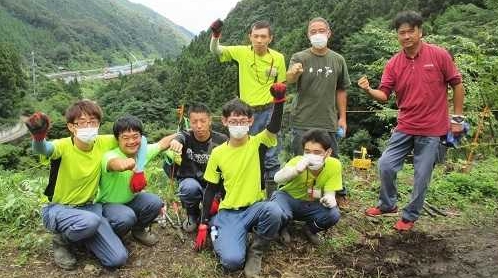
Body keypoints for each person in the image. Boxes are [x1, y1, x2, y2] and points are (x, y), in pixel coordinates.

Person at [358, 10, 465, 231]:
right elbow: (384, 94)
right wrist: (369, 90)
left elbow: (457, 83)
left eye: (410, 31)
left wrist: (457, 118)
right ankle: (388, 205)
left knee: (421, 175)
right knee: (385, 165)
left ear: (420, 31)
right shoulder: (394, 63)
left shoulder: (439, 55)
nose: (406, 36)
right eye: (401, 32)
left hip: (433, 128)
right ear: (397, 35)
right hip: (405, 125)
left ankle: (410, 215)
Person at [194, 82, 287, 278]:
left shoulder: (258, 143)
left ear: (251, 121)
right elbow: (210, 189)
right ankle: (217, 227)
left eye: (243, 121)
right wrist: (202, 222)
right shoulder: (218, 153)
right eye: (233, 121)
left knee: (274, 210)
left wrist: (278, 101)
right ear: (225, 122)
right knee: (232, 262)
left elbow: (274, 127)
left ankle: (257, 250)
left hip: (254, 207)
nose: (238, 125)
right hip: (229, 212)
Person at [24, 100, 128, 269]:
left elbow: (132, 139)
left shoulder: (103, 142)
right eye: (82, 122)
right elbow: (43, 149)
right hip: (60, 208)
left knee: (118, 258)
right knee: (90, 222)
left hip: (89, 209)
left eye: (93, 122)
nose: (88, 127)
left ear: (99, 124)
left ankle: (84, 237)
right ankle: (61, 241)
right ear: (71, 127)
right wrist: (38, 136)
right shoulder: (63, 146)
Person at [209, 18, 286, 193]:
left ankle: (272, 198)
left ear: (270, 38)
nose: (259, 40)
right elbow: (216, 50)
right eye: (256, 36)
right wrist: (216, 35)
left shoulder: (278, 58)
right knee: (245, 153)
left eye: (263, 36)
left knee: (271, 156)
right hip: (246, 114)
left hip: (269, 111)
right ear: (249, 36)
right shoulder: (241, 52)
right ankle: (246, 192)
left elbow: (280, 86)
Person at [286, 17, 351, 207]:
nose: (318, 34)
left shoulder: (338, 60)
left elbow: (341, 90)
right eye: (313, 31)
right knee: (300, 160)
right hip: (302, 119)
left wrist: (343, 118)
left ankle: (337, 193)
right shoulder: (300, 57)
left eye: (321, 30)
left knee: (332, 160)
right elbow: (288, 80)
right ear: (308, 35)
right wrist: (294, 72)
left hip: (328, 120)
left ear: (329, 33)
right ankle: (300, 197)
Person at [95, 115, 175, 246]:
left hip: (131, 201)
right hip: (107, 205)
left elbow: (162, 144)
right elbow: (115, 164)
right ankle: (110, 237)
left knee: (155, 202)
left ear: (141, 137)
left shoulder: (142, 152)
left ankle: (138, 231)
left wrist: (183, 134)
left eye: (135, 136)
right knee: (126, 217)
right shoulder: (110, 155)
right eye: (125, 138)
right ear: (117, 139)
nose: (131, 141)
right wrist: (129, 164)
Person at [271, 129, 342, 245]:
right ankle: (283, 227)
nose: (311, 156)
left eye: (317, 152)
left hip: (311, 204)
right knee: (278, 212)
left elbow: (330, 192)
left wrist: (330, 199)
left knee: (333, 214)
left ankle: (309, 229)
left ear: (328, 152)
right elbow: (277, 178)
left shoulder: (334, 165)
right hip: (288, 199)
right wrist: (295, 171)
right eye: (307, 151)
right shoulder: (297, 161)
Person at [166, 103, 228, 232]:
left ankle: (207, 214)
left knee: (213, 222)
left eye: (203, 121)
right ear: (190, 122)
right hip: (191, 181)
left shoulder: (221, 140)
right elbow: (180, 137)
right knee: (189, 187)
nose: (199, 126)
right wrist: (175, 142)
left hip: (213, 185)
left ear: (209, 121)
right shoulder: (186, 137)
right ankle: (192, 214)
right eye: (194, 122)